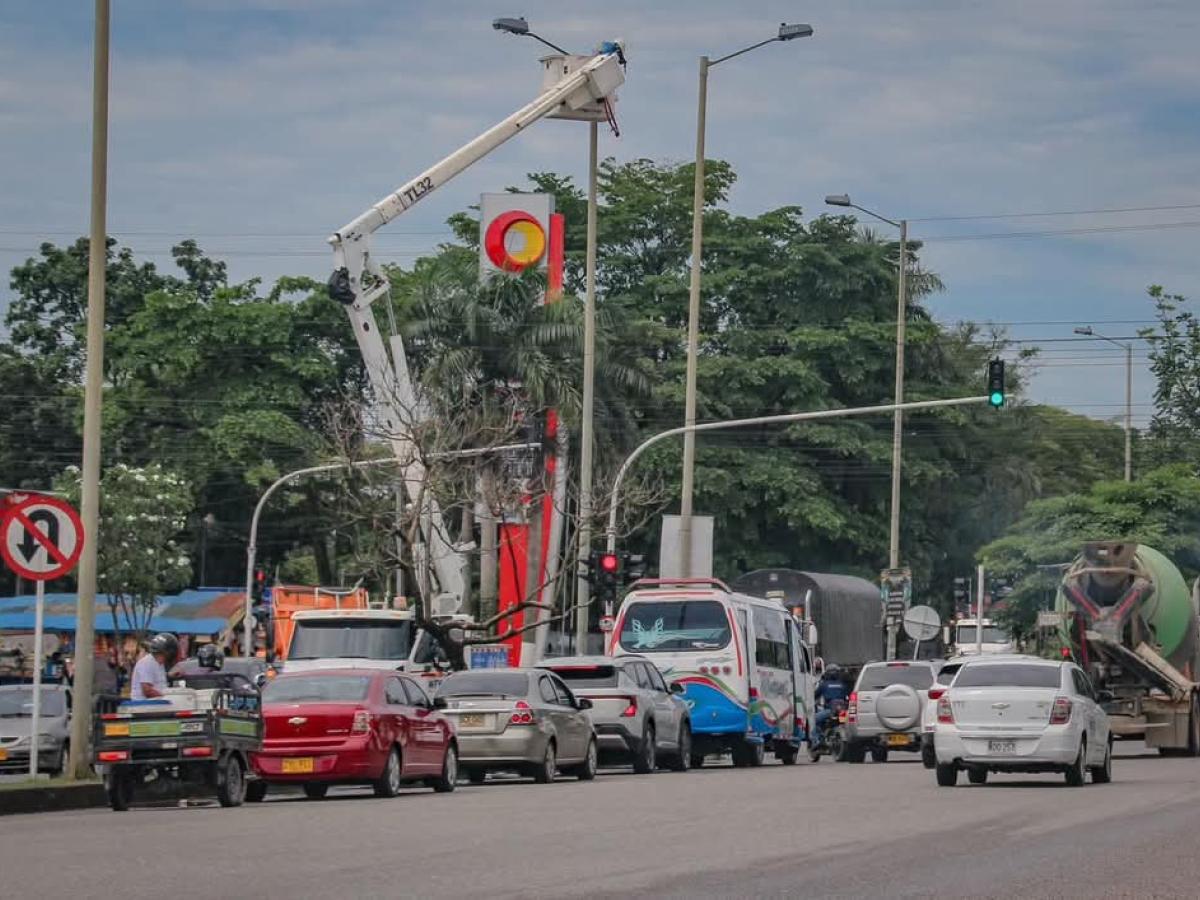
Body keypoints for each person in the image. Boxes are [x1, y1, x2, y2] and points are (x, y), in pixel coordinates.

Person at [130, 633, 178, 700]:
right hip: (145, 704)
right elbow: (147, 691)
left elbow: (158, 681)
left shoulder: (159, 664)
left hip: (156, 703)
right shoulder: (147, 663)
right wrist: (168, 697)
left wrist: (170, 675)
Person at [813, 664, 850, 746]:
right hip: (843, 712)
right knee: (845, 724)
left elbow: (814, 696)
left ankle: (818, 740)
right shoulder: (843, 685)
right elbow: (848, 697)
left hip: (830, 711)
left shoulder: (824, 684)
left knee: (813, 720)